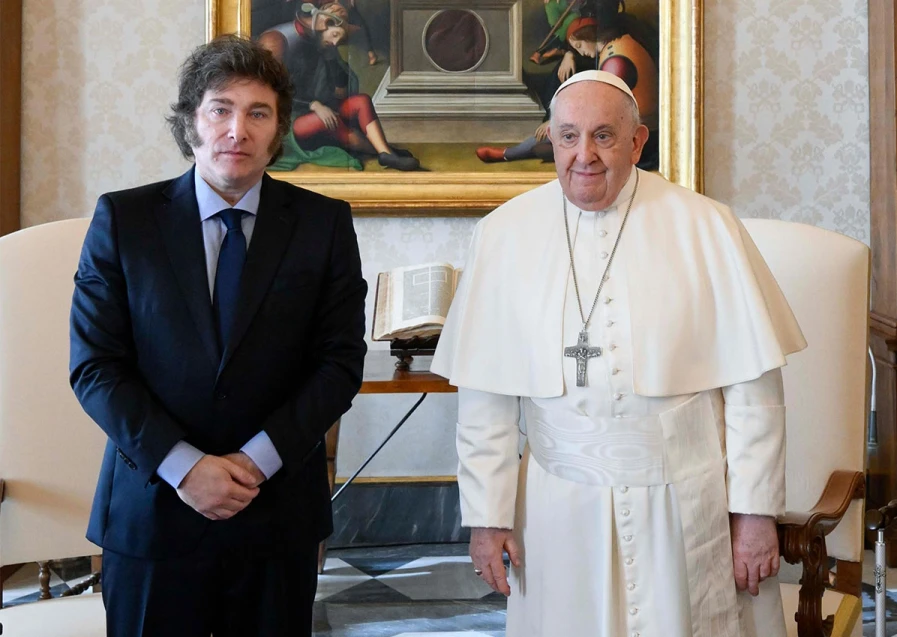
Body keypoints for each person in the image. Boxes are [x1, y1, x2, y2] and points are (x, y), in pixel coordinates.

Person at [433, 70, 804, 637]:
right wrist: (487, 517)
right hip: (557, 510)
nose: (585, 155)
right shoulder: (504, 234)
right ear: (549, 139)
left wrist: (754, 517)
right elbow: (486, 398)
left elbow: (755, 392)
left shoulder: (706, 226)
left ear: (637, 141)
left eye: (604, 136)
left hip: (683, 502)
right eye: (568, 136)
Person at [69, 35, 368, 635]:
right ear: (190, 123)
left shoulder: (322, 224)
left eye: (258, 113)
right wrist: (184, 467)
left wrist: (254, 464)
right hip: (152, 511)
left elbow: (339, 364)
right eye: (220, 109)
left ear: (279, 130)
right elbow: (96, 366)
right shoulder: (124, 221)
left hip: (275, 513)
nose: (238, 129)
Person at [476, 16, 658, 170]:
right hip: (626, 127)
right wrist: (569, 55)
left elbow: (604, 106)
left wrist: (557, 121)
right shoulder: (619, 43)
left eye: (579, 45)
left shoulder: (614, 59)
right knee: (557, 142)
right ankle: (511, 153)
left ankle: (508, 154)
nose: (580, 52)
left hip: (636, 139)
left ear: (589, 36)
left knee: (561, 132)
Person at [258, 3, 420, 171]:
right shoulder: (276, 40)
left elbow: (340, 93)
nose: (335, 43)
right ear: (322, 25)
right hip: (286, 120)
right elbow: (268, 91)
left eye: (339, 39)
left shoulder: (320, 42)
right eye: (335, 35)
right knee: (327, 121)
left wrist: (331, 60)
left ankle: (385, 152)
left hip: (317, 109)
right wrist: (313, 105)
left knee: (361, 101)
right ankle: (383, 151)